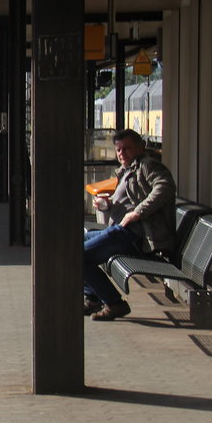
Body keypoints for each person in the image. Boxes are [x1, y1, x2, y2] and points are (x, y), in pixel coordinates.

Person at [83, 129, 176, 321]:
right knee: (72, 244)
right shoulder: (128, 169)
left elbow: (165, 186)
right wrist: (107, 206)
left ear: (140, 147)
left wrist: (137, 212)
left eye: (127, 149)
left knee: (78, 257)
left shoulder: (148, 165)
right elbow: (128, 201)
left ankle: (114, 303)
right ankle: (93, 297)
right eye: (118, 150)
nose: (121, 154)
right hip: (120, 229)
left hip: (135, 235)